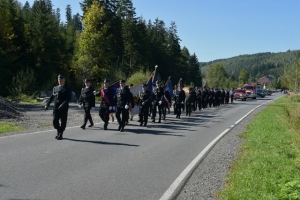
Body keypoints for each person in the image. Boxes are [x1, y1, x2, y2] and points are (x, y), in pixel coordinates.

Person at [45, 74, 72, 140]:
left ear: (64, 80)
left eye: (61, 79)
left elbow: (68, 99)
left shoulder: (67, 88)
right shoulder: (55, 88)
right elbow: (51, 97)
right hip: (56, 105)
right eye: (58, 79)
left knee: (63, 120)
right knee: (55, 120)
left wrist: (63, 105)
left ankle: (60, 133)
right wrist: (47, 104)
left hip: (64, 106)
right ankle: (58, 129)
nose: (59, 81)